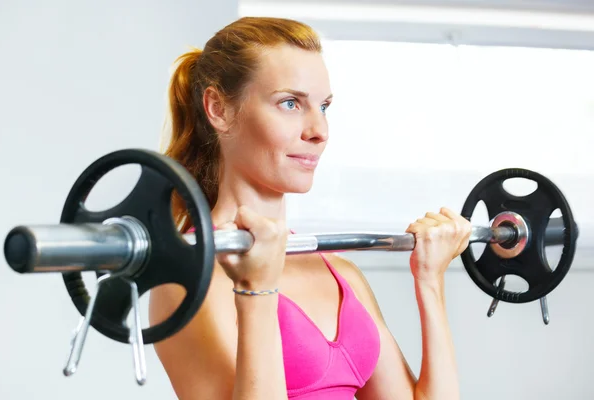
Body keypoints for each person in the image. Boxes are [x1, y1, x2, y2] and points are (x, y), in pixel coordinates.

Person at [149, 16, 471, 400]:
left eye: (323, 106)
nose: (319, 130)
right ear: (218, 109)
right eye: (290, 103)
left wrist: (430, 280)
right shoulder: (188, 274)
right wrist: (258, 290)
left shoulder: (340, 273)